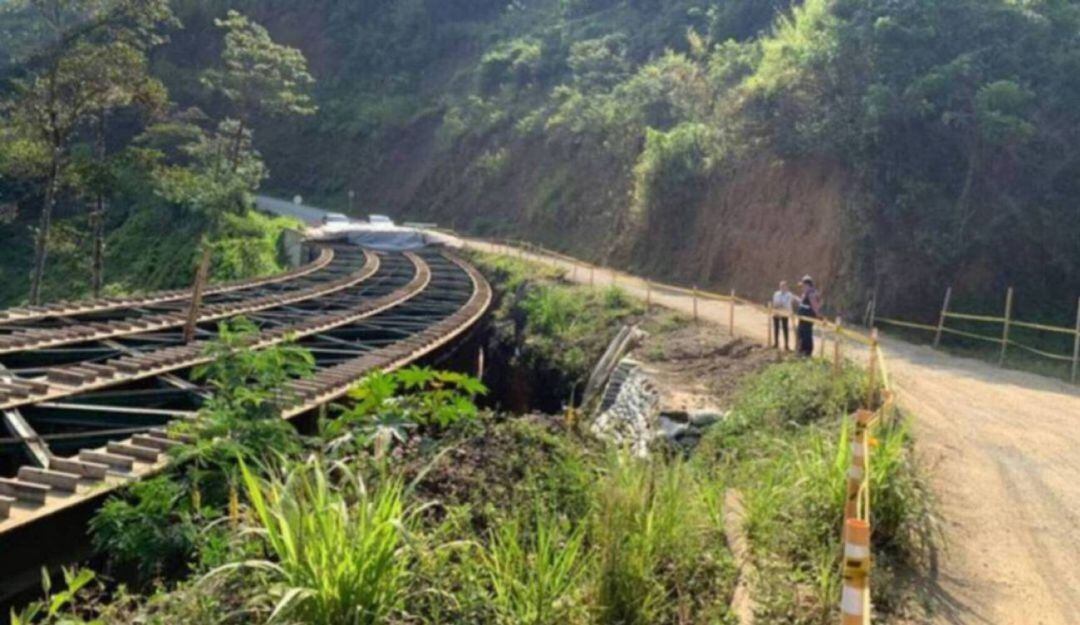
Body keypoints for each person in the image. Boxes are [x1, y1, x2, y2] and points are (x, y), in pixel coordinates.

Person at [796, 275, 822, 357]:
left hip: (808, 317)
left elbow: (815, 306)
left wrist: (818, 315)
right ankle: (801, 350)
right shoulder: (805, 293)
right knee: (801, 333)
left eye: (803, 285)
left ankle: (807, 351)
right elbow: (803, 303)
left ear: (807, 285)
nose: (802, 287)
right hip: (803, 317)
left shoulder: (811, 294)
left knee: (807, 333)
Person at [770, 281, 796, 350]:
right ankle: (776, 343)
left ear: (786, 287)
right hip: (777, 311)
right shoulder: (776, 294)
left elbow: (788, 303)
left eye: (784, 286)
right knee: (776, 328)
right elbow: (775, 302)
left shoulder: (789, 295)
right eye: (781, 286)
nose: (782, 288)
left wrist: (785, 307)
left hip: (785, 312)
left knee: (785, 328)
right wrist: (777, 306)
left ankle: (786, 345)